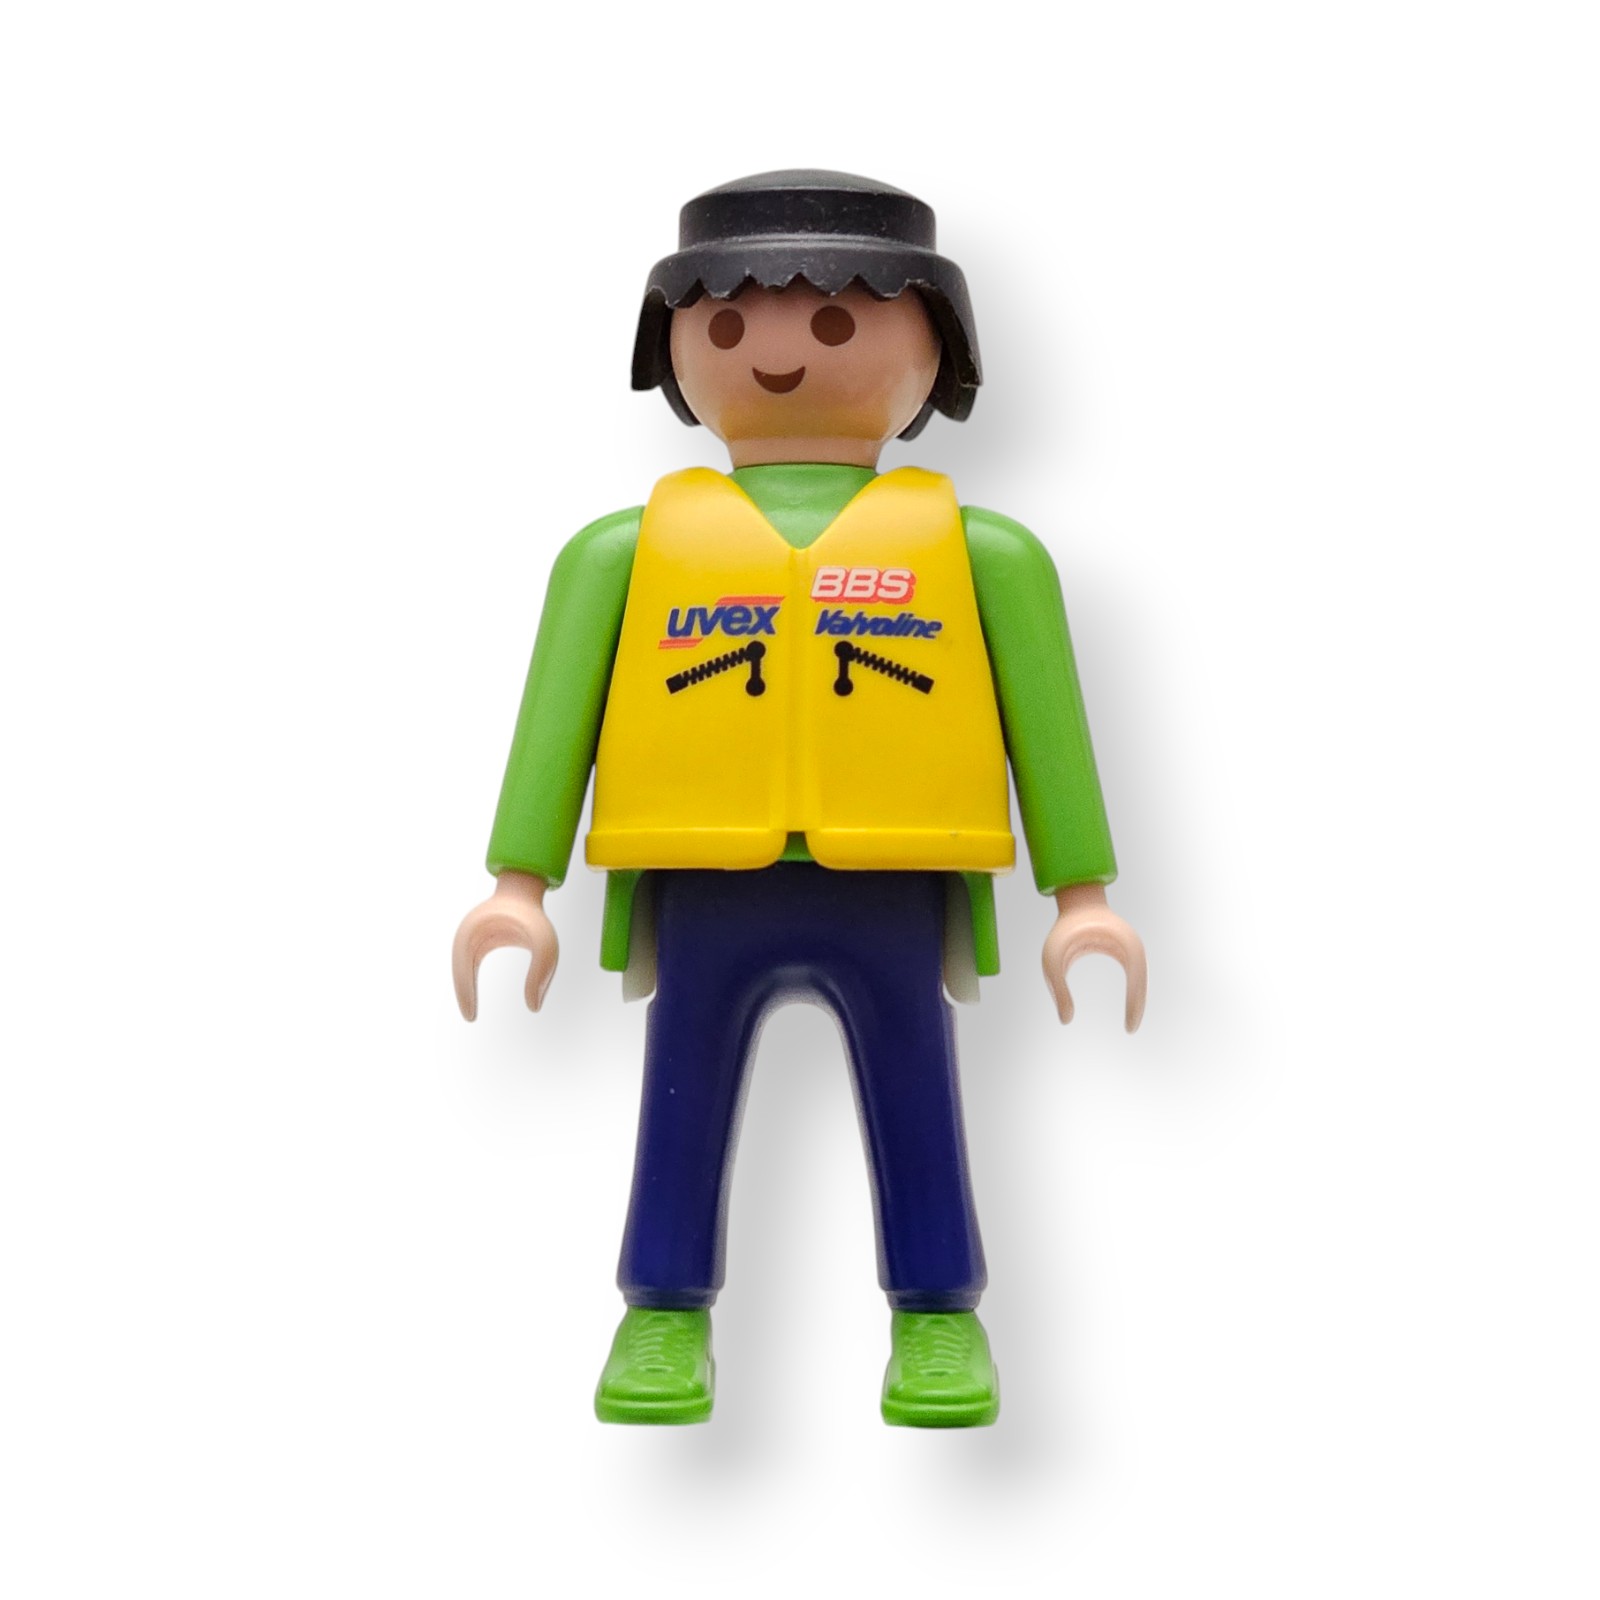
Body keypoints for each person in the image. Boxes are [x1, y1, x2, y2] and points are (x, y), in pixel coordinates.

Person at [452, 170, 1146, 1427]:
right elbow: (555, 711)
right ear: (676, 350)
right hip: (700, 874)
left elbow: (1050, 723)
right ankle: (663, 1311)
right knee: (681, 1096)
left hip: (894, 875)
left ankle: (938, 1316)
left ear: (933, 353)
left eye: (836, 322)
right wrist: (518, 882)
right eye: (727, 322)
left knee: (918, 1093)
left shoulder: (983, 553)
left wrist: (1082, 895)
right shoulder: (622, 551)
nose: (779, 352)